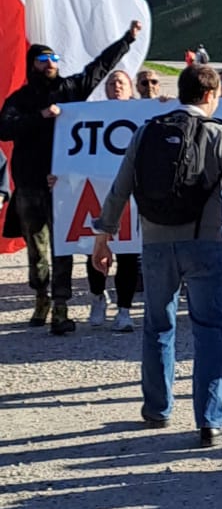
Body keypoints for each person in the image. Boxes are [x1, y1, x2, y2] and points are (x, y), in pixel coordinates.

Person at [91, 63, 222, 443]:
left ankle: (157, 409)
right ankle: (210, 420)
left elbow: (120, 188)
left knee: (158, 325)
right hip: (204, 241)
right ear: (210, 96)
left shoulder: (146, 132)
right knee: (210, 328)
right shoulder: (218, 134)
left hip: (156, 243)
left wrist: (103, 237)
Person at [0, 21, 141, 333]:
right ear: (32, 64)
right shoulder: (20, 99)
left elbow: (99, 67)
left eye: (54, 60)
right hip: (29, 184)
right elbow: (4, 128)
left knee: (62, 248)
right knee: (37, 251)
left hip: (63, 185)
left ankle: (61, 307)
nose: (50, 65)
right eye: (43, 60)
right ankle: (41, 296)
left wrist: (127, 40)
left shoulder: (69, 89)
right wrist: (40, 116)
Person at [86, 69, 142, 332]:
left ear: (131, 88)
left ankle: (125, 309)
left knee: (129, 255)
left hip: (131, 194)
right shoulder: (92, 115)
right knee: (94, 250)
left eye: (121, 82)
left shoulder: (144, 114)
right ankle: (97, 297)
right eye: (111, 82)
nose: (116, 86)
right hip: (97, 192)